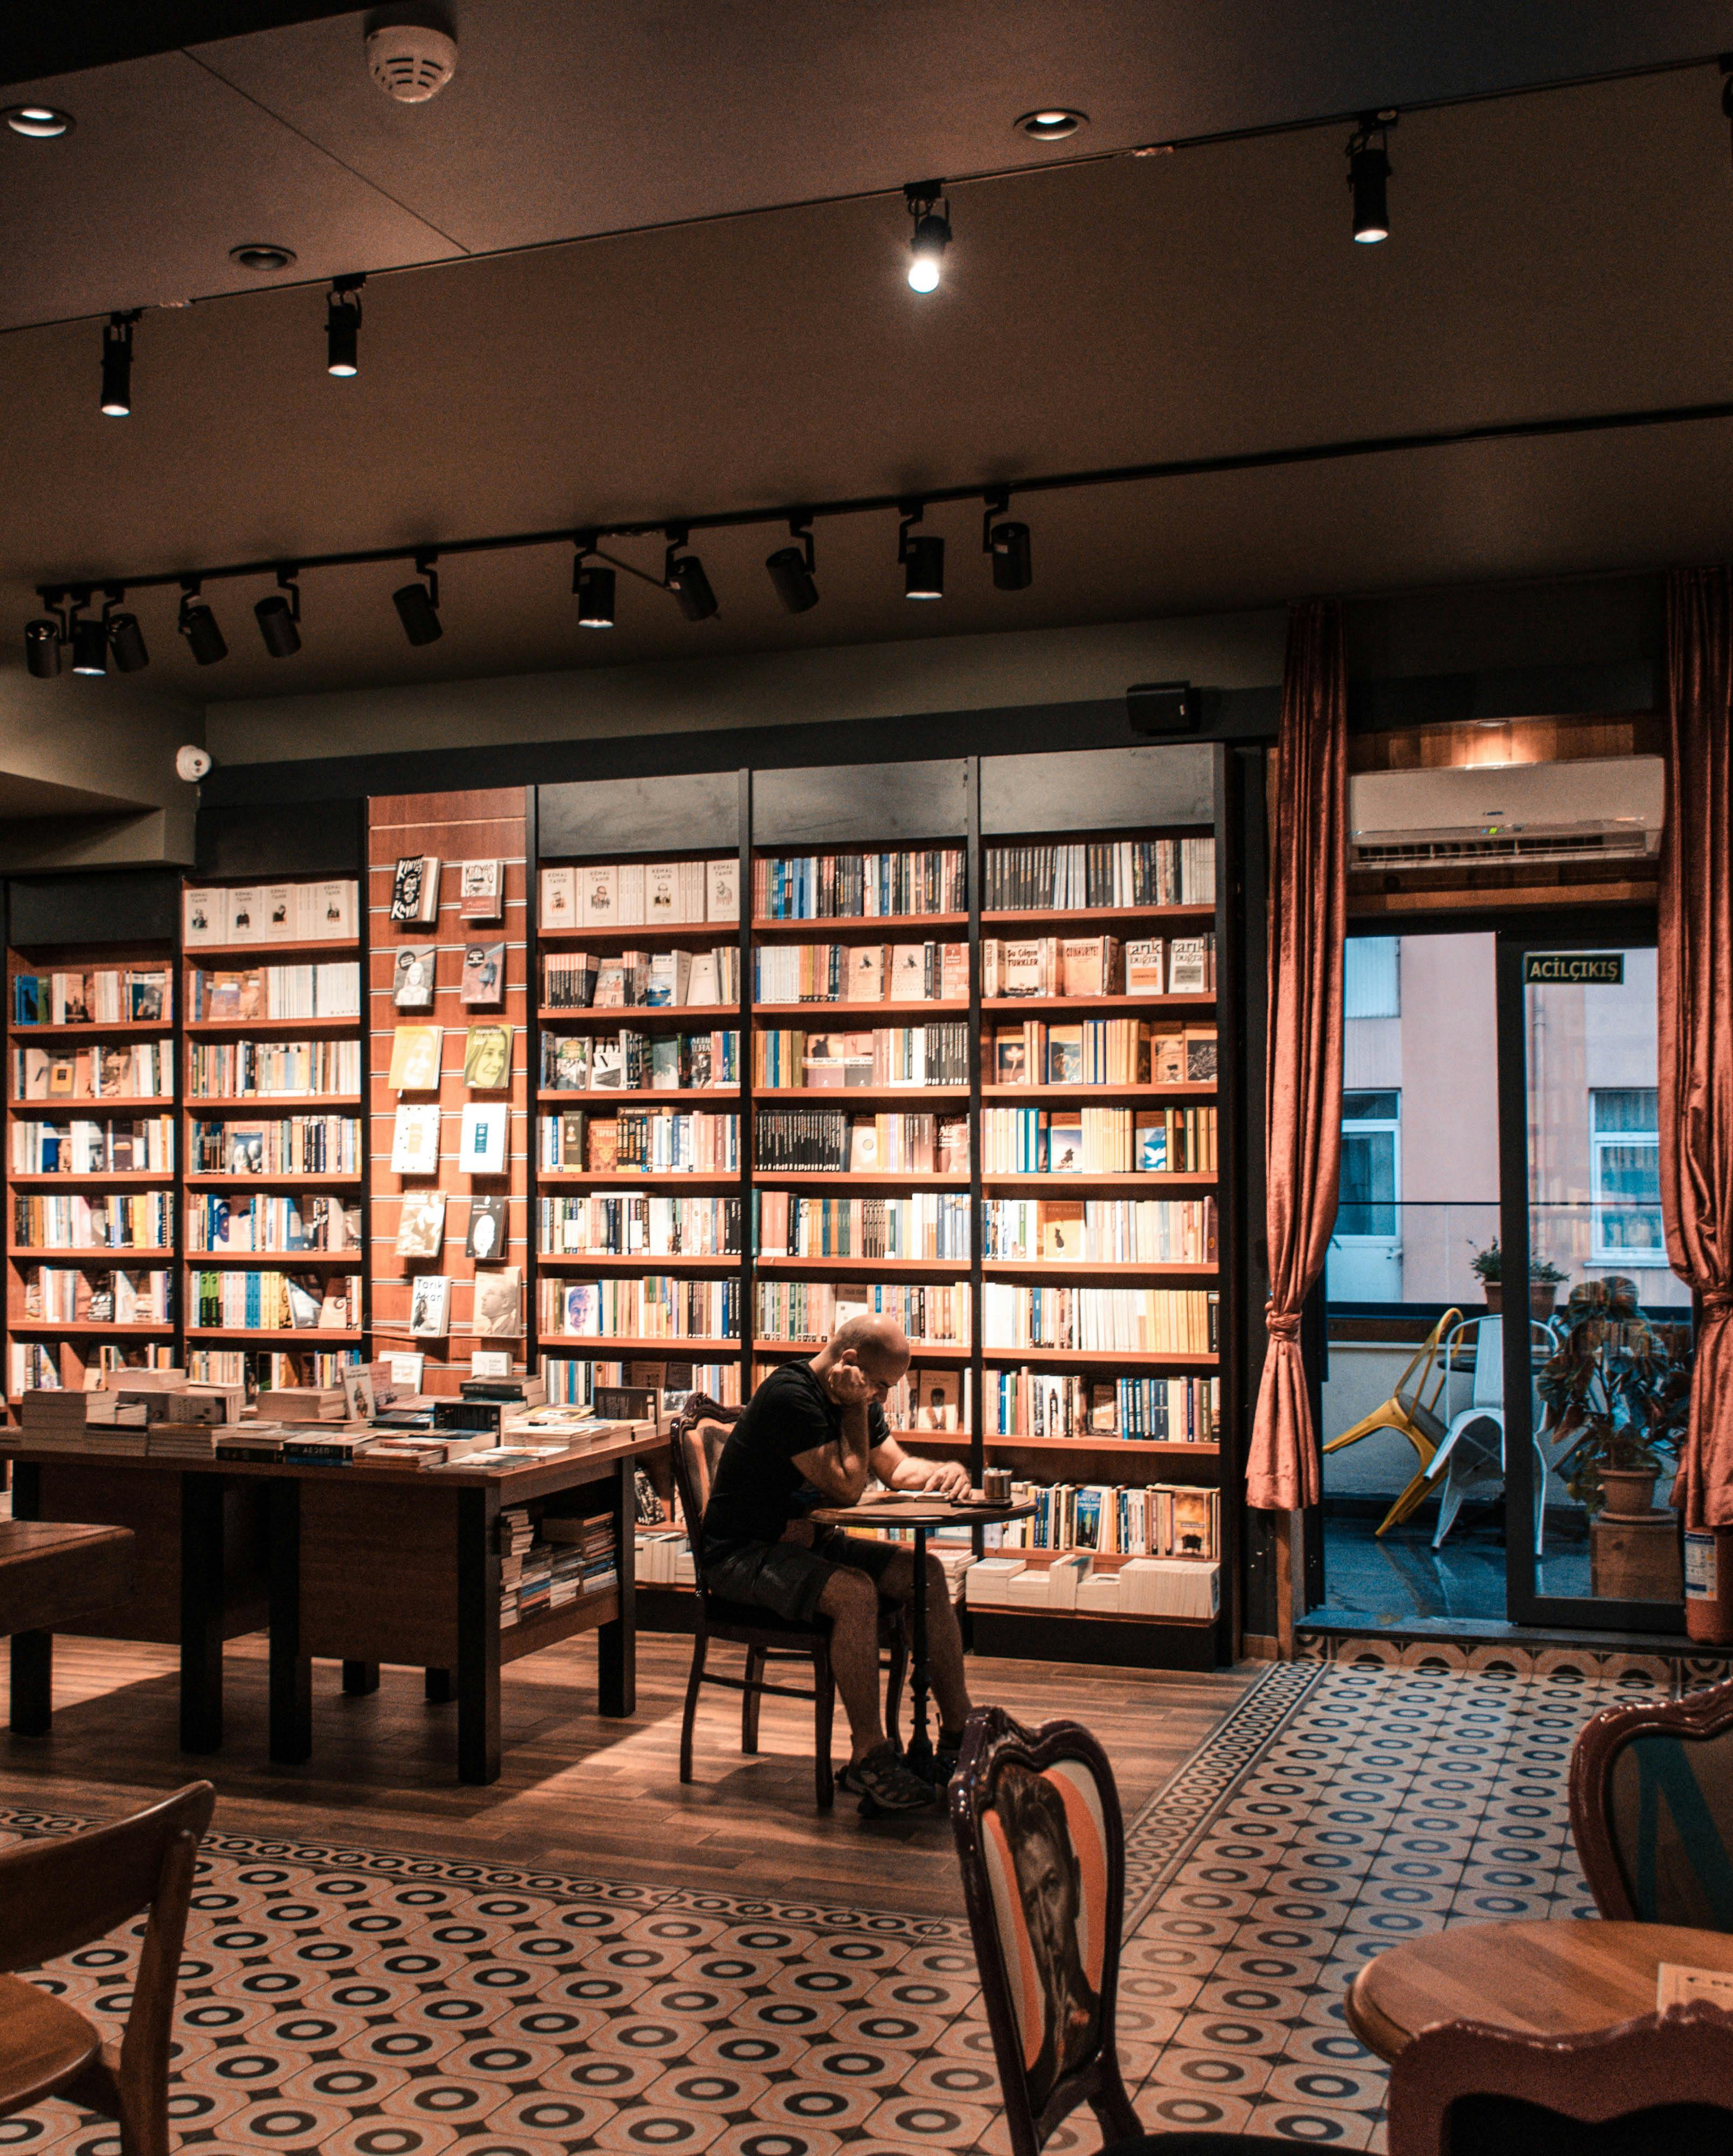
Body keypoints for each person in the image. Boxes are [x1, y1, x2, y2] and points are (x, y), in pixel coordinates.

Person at [699, 1314, 975, 1813]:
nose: (883, 1398)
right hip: (740, 1553)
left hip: (805, 1542)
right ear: (850, 1364)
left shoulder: (855, 1396)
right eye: (882, 1385)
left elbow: (895, 1469)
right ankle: (869, 1753)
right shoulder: (792, 1396)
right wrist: (854, 1406)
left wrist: (944, 1473)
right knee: (854, 1592)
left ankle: (961, 1737)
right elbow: (848, 1487)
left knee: (927, 1576)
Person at [992, 1762, 1100, 2108]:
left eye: (1052, 1886)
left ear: (1077, 1886)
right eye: (1030, 1903)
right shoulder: (1037, 2077)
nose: (1047, 1928)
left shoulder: (1098, 2028)